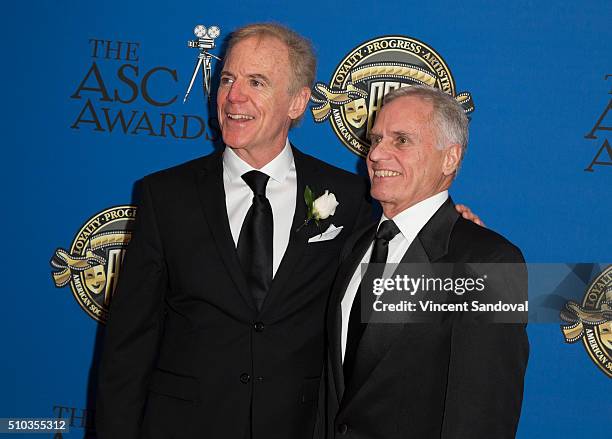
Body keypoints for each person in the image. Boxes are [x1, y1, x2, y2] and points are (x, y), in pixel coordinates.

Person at [96, 23, 482, 439]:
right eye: (227, 79)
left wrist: (454, 235)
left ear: (297, 101)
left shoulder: (352, 198)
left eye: (256, 82)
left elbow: (403, 257)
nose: (233, 96)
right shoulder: (163, 195)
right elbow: (127, 346)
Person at [321, 85, 529, 439]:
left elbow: (485, 415)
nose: (376, 154)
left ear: (450, 158)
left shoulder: (490, 261)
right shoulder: (355, 245)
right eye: (377, 139)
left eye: (401, 140)